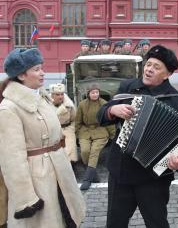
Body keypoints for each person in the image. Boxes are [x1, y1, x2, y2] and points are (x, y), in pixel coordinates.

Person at [97, 45, 178, 228]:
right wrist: (112, 110)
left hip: (153, 179)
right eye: (148, 64)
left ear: (167, 74)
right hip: (121, 173)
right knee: (115, 223)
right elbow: (101, 116)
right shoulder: (127, 88)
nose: (149, 69)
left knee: (157, 223)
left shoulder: (177, 101)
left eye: (156, 67)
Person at [0, 48, 85, 227]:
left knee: (66, 218)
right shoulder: (9, 108)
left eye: (42, 68)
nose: (43, 73)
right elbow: (12, 160)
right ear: (22, 75)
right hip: (37, 178)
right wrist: (26, 198)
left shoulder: (41, 97)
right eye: (37, 69)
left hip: (58, 171)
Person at [75, 83, 114, 190]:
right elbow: (78, 120)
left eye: (97, 92)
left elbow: (109, 120)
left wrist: (113, 135)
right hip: (85, 131)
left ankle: (87, 179)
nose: (95, 94)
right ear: (88, 94)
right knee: (84, 151)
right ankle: (94, 175)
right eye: (92, 92)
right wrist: (77, 133)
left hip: (101, 130)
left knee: (94, 152)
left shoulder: (104, 104)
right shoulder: (82, 104)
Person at [50, 83, 78, 164]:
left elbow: (74, 119)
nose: (60, 96)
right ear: (52, 95)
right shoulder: (46, 105)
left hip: (67, 128)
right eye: (57, 94)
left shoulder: (69, 105)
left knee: (70, 149)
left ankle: (71, 164)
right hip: (53, 129)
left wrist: (71, 129)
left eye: (62, 94)